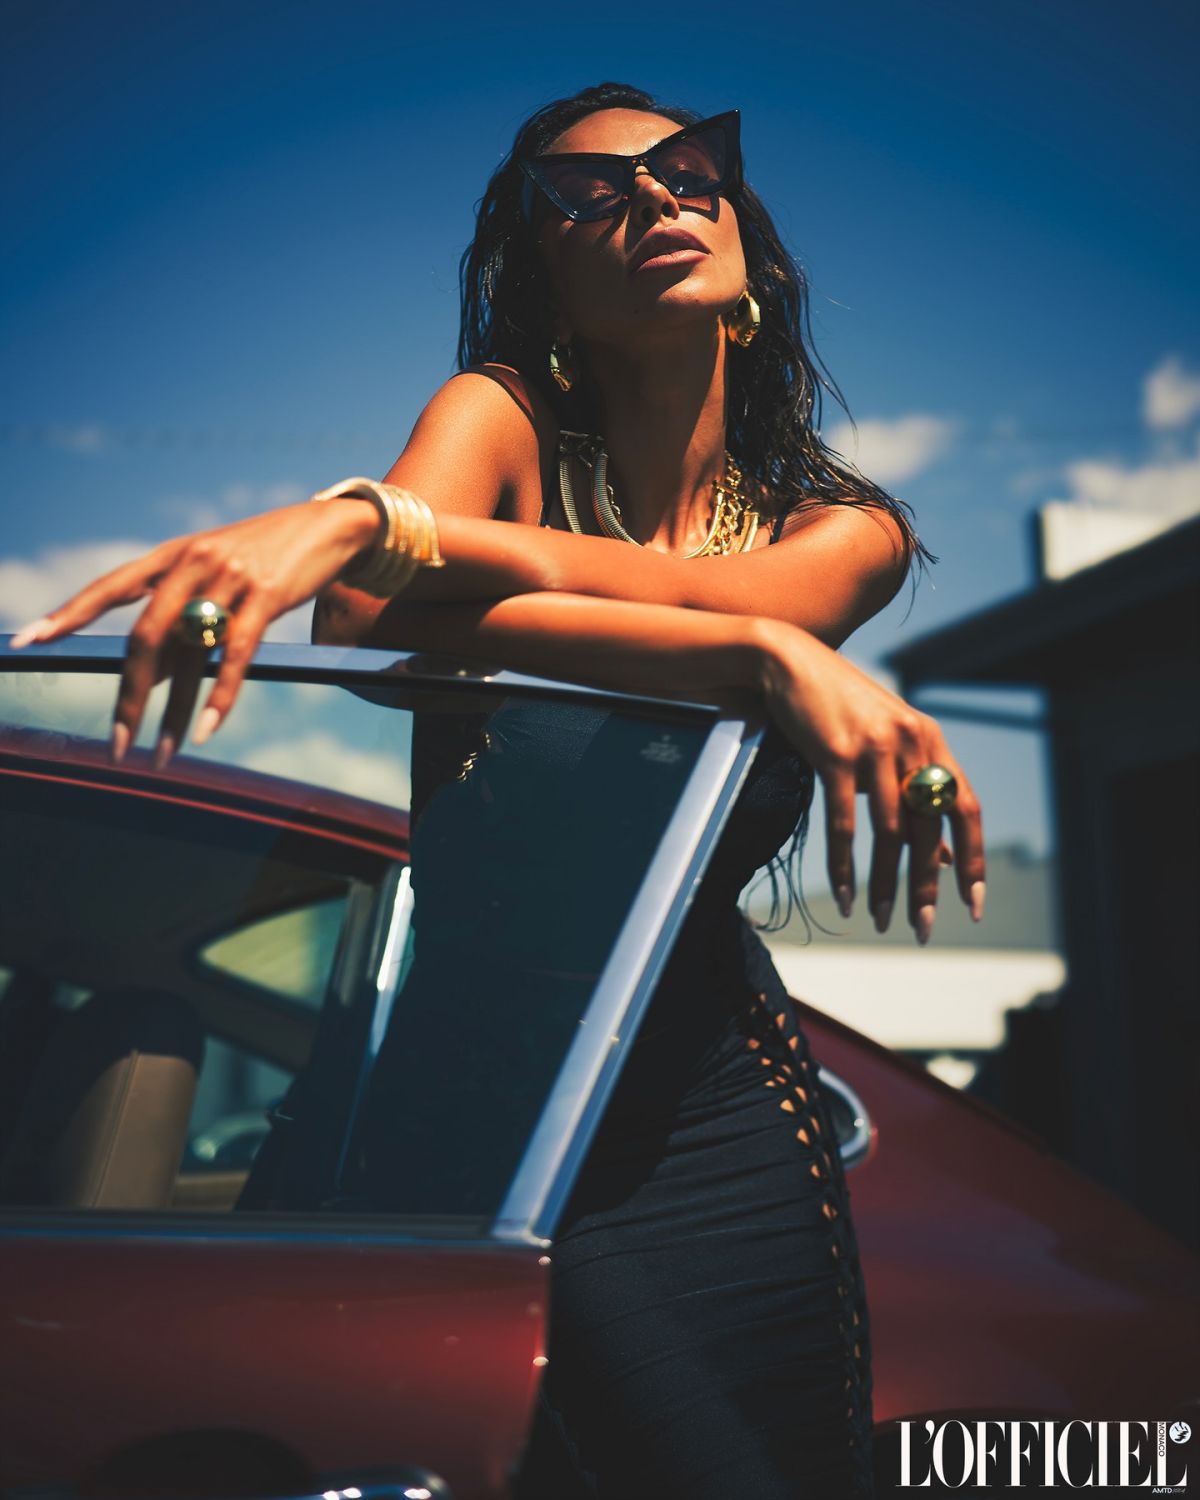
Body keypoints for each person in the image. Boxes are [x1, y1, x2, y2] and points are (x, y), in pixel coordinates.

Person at [12, 82, 984, 1497]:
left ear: (749, 257)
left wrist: (384, 530)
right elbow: (359, 624)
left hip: (719, 1123)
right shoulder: (499, 418)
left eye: (688, 167)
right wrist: (748, 654)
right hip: (474, 1109)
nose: (651, 197)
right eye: (585, 192)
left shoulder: (846, 531)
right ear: (543, 279)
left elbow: (684, 609)